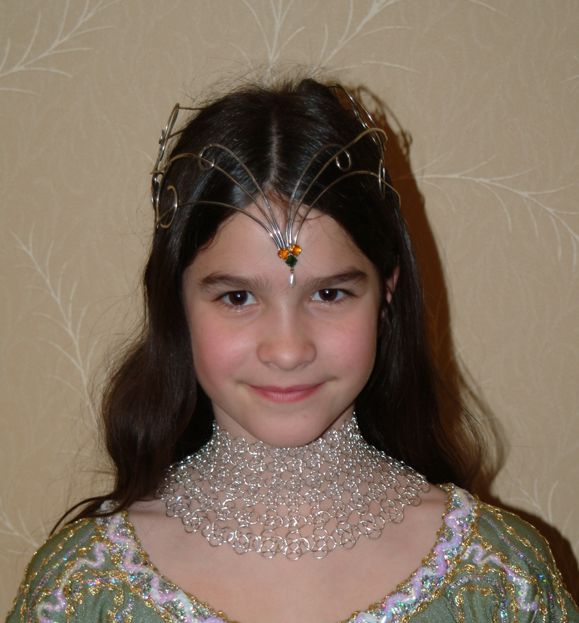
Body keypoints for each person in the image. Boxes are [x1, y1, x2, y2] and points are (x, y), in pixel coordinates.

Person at [6, 78, 578, 623]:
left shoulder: (497, 577)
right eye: (237, 297)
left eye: (329, 294)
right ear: (176, 304)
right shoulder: (82, 588)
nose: (287, 350)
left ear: (386, 296)